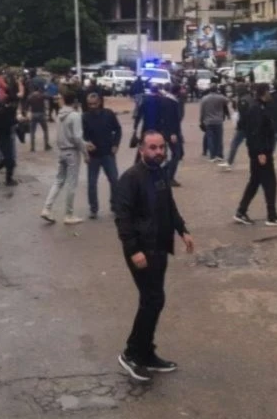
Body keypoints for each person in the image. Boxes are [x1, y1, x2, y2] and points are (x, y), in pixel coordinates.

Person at [114, 131, 195, 383]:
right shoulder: (131, 178)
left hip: (160, 247)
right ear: (141, 150)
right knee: (153, 299)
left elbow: (169, 206)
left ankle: (146, 353)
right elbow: (122, 218)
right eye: (152, 147)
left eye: (161, 147)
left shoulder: (160, 172)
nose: (159, 152)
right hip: (141, 251)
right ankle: (131, 353)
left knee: (154, 300)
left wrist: (182, 230)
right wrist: (133, 250)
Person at [235, 84, 277, 227]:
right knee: (270, 183)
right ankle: (271, 215)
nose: (271, 94)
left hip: (259, 151)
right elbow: (256, 132)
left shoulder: (260, 107)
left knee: (255, 182)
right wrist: (261, 152)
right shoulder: (257, 109)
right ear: (264, 93)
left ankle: (241, 211)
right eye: (269, 92)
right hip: (261, 153)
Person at [41, 90, 88, 225]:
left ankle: (47, 208)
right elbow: (77, 137)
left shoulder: (59, 115)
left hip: (62, 151)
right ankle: (69, 214)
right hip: (72, 152)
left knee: (58, 181)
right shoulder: (75, 116)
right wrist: (85, 152)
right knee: (71, 184)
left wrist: (84, 144)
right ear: (74, 101)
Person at [82, 91, 123, 220]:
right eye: (89, 104)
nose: (92, 106)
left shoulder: (109, 114)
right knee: (92, 183)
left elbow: (118, 129)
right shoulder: (85, 117)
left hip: (108, 154)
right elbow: (82, 135)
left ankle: (115, 206)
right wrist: (86, 145)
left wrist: (116, 144)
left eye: (94, 104)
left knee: (114, 181)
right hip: (93, 155)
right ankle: (93, 209)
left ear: (99, 102)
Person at [198, 86, 230, 166]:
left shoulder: (204, 98)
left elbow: (202, 111)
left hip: (208, 121)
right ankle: (219, 154)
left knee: (210, 138)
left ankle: (212, 156)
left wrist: (201, 120)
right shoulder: (220, 97)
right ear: (216, 90)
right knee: (219, 138)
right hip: (218, 121)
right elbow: (228, 101)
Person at [26, 87, 51, 151]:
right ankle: (46, 145)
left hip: (33, 114)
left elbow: (26, 106)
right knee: (45, 130)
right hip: (41, 114)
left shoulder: (30, 97)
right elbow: (49, 97)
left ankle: (32, 147)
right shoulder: (42, 95)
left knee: (32, 131)